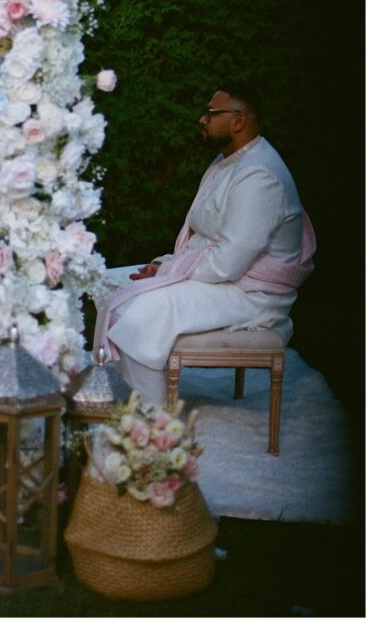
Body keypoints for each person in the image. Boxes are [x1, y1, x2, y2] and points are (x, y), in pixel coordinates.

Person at [94, 83, 316, 404]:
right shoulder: (227, 162)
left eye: (211, 113)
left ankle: (148, 424)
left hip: (250, 294)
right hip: (218, 279)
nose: (202, 119)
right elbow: (205, 240)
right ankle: (116, 402)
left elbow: (229, 263)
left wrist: (168, 271)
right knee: (110, 283)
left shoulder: (259, 175)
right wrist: (164, 266)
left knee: (140, 308)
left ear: (238, 121)